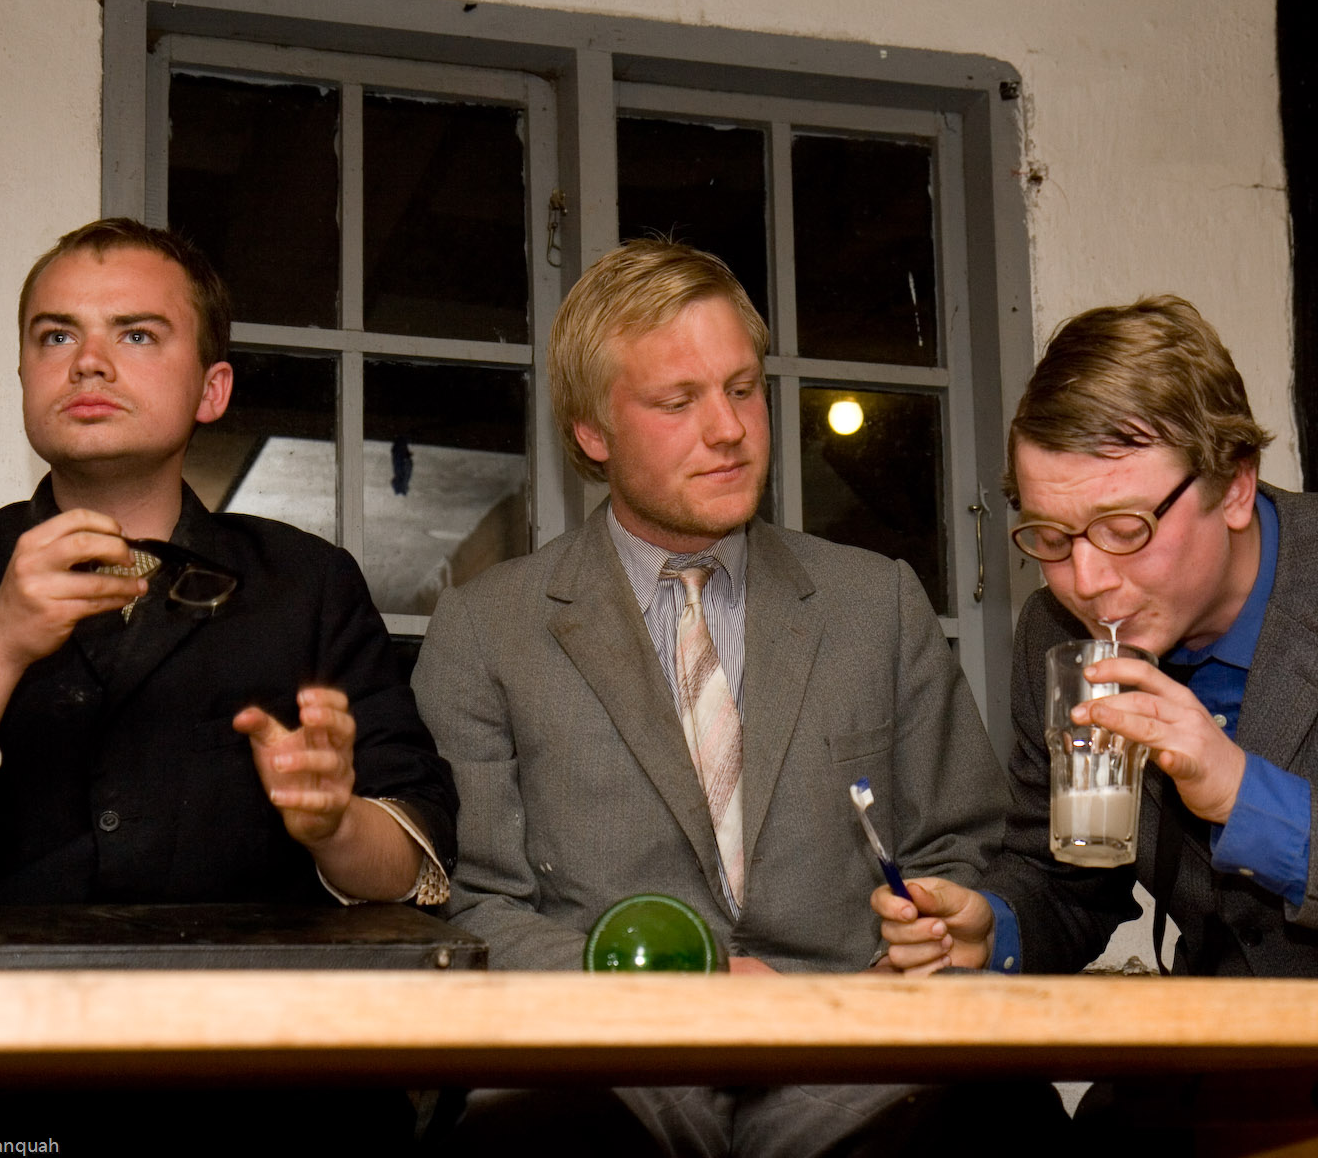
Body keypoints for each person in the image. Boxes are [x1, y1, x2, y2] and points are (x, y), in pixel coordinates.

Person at [412, 240, 1029, 1155]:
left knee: (1008, 1117)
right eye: (678, 402)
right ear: (592, 433)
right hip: (609, 1068)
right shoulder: (485, 628)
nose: (729, 428)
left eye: (743, 389)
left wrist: (926, 935)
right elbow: (471, 905)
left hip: (854, 1061)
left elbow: (964, 845)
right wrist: (676, 982)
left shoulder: (878, 602)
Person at [0, 218, 459, 1144]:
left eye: (136, 334)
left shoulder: (309, 584)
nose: (88, 363)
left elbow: (414, 868)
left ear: (212, 390)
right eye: (56, 335)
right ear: (25, 377)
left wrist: (334, 822)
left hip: (270, 1089)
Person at [873, 294, 1318, 981]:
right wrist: (993, 929)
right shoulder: (1053, 635)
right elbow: (1068, 880)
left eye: (1125, 529)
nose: (1086, 582)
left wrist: (1244, 796)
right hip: (1211, 1041)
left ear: (1234, 486)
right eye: (1052, 538)